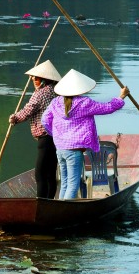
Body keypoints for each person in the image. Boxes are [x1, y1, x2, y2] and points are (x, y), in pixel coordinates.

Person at [41, 69, 129, 200]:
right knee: (72, 185)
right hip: (74, 151)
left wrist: (56, 135)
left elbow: (44, 120)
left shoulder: (55, 103)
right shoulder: (84, 103)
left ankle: (59, 210)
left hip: (60, 149)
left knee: (64, 183)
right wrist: (121, 97)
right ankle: (65, 212)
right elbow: (107, 108)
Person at [8, 60, 62, 199]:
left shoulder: (40, 94)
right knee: (50, 173)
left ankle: (42, 202)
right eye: (33, 78)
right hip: (57, 138)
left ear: (44, 80)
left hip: (45, 138)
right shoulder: (58, 93)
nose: (33, 80)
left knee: (40, 174)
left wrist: (14, 118)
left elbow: (27, 111)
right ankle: (50, 201)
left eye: (36, 78)